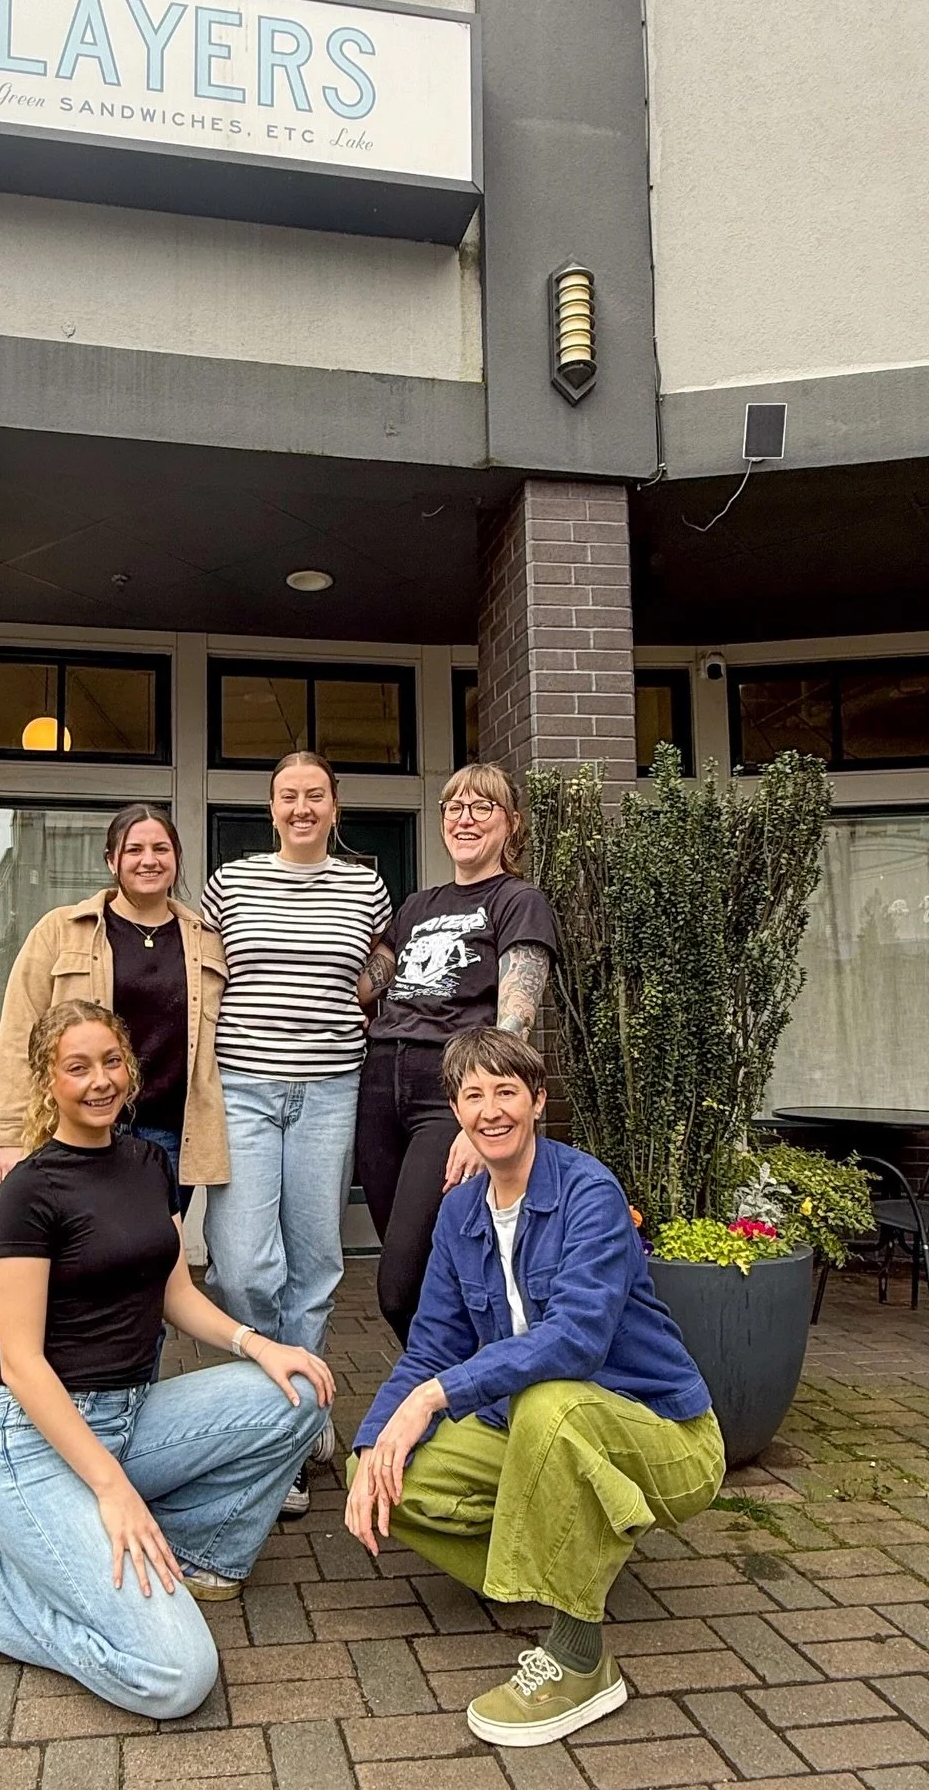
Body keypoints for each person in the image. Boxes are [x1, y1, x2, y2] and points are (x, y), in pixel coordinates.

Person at [0, 999, 332, 1720]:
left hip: (131, 1415)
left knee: (300, 1392)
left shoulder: (149, 1162)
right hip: (36, 1444)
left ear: (132, 1069)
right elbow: (20, 1364)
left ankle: (196, 1552)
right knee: (176, 1678)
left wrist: (261, 1344)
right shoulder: (30, 1190)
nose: (99, 1081)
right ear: (48, 1081)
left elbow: (173, 1292)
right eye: (77, 1068)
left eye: (111, 1062)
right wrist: (112, 1488)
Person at [344, 1030, 723, 1750]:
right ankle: (568, 1550)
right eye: (474, 1095)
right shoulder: (459, 1214)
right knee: (385, 1473)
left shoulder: (588, 1192)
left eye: (507, 1092)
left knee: (549, 1398)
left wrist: (433, 1399)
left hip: (664, 1437)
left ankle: (583, 1663)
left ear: (538, 1100)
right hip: (535, 1429)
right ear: (456, 1109)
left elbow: (577, 1340)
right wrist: (375, 1438)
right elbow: (430, 1347)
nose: (491, 1111)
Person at [0, 804, 228, 1418]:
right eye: (135, 849)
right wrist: (9, 1136)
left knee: (145, 1279)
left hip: (163, 1136)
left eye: (161, 850)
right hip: (69, 1134)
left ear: (176, 860)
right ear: (112, 861)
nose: (149, 860)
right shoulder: (62, 930)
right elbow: (18, 1033)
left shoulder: (202, 938)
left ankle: (127, 1421)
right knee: (35, 1289)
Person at [201, 750, 391, 1515]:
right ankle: (270, 1408)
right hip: (242, 1089)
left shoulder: (364, 884)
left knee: (314, 1263)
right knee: (245, 1266)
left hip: (328, 1088)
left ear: (335, 807)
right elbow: (205, 971)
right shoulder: (232, 882)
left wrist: (361, 999)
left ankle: (297, 1431)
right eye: (289, 796)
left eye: (315, 795)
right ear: (272, 808)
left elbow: (379, 964)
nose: (302, 807)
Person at [354, 762, 559, 1343]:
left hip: (447, 1092)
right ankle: (457, 1394)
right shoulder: (419, 904)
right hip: (380, 1086)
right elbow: (371, 983)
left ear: (510, 823)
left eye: (482, 807)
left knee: (399, 1283)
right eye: (454, 808)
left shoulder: (518, 900)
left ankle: (462, 1383)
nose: (464, 819)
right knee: (427, 1271)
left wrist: (480, 1119)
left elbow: (514, 1022)